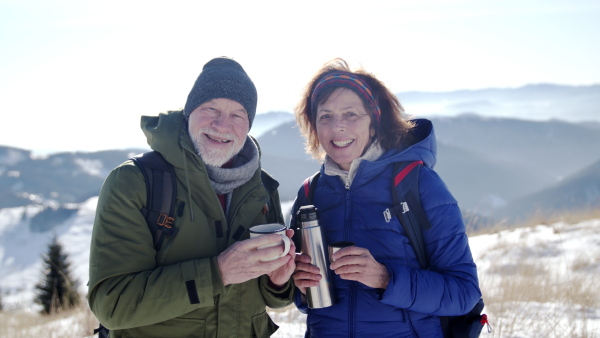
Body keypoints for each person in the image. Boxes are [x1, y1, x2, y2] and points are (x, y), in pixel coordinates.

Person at [88, 56, 296, 337]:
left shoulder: (261, 188)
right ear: (189, 113)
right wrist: (218, 273)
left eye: (237, 115)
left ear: (248, 126)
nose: (222, 125)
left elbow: (271, 299)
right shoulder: (136, 182)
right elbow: (112, 305)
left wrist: (278, 283)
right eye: (211, 108)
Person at [291, 58, 482, 337]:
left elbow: (464, 292)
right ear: (315, 127)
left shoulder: (418, 184)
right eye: (326, 116)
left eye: (351, 114)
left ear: (374, 123)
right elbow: (307, 302)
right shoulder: (310, 193)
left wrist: (385, 278)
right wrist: (298, 284)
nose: (338, 127)